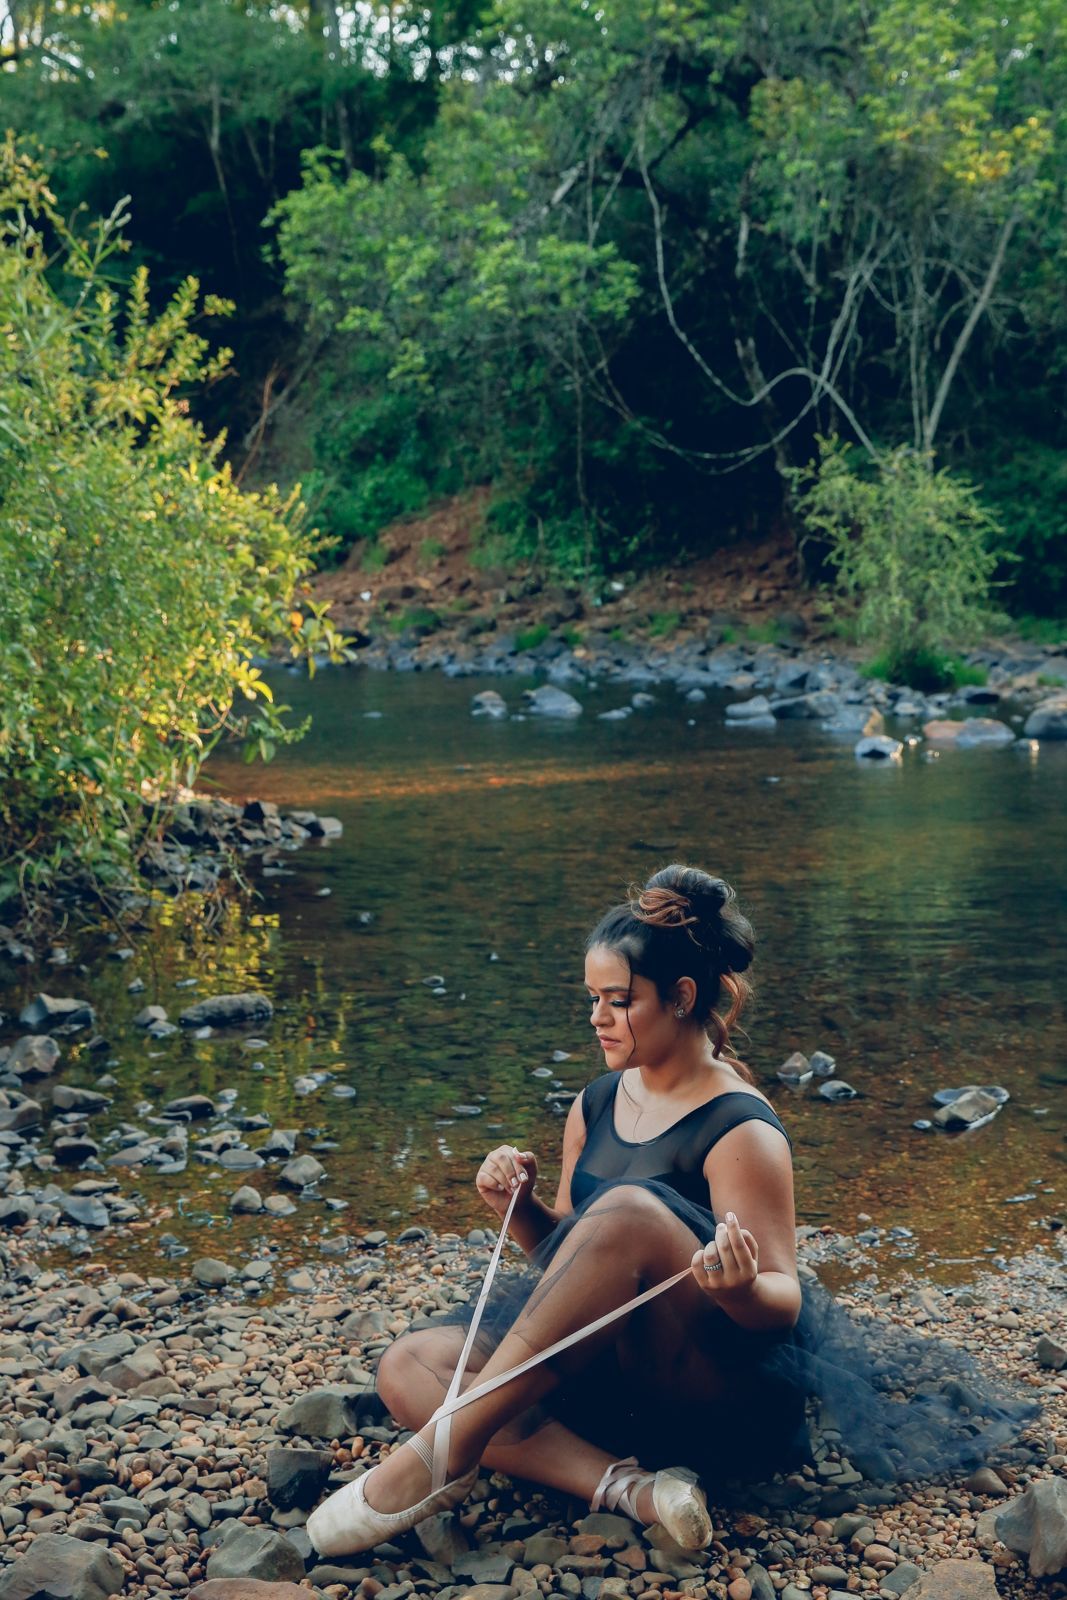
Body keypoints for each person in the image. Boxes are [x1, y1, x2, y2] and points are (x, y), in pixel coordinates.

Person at [307, 865, 1040, 1560]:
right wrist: (519, 1209)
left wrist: (738, 1288)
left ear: (681, 996)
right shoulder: (594, 1103)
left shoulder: (738, 1127)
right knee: (406, 1365)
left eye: (617, 1000)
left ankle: (440, 1455)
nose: (596, 1018)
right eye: (591, 998)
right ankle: (631, 1490)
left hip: (705, 1388)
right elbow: (566, 1268)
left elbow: (780, 1302)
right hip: (601, 1379)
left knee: (630, 1210)